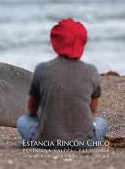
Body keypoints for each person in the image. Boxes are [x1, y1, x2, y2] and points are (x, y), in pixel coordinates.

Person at [17, 18, 108, 149]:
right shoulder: (91, 71)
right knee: (101, 122)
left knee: (23, 121)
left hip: (46, 142)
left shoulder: (42, 69)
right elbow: (93, 110)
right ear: (83, 42)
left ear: (55, 42)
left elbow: (32, 109)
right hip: (84, 143)